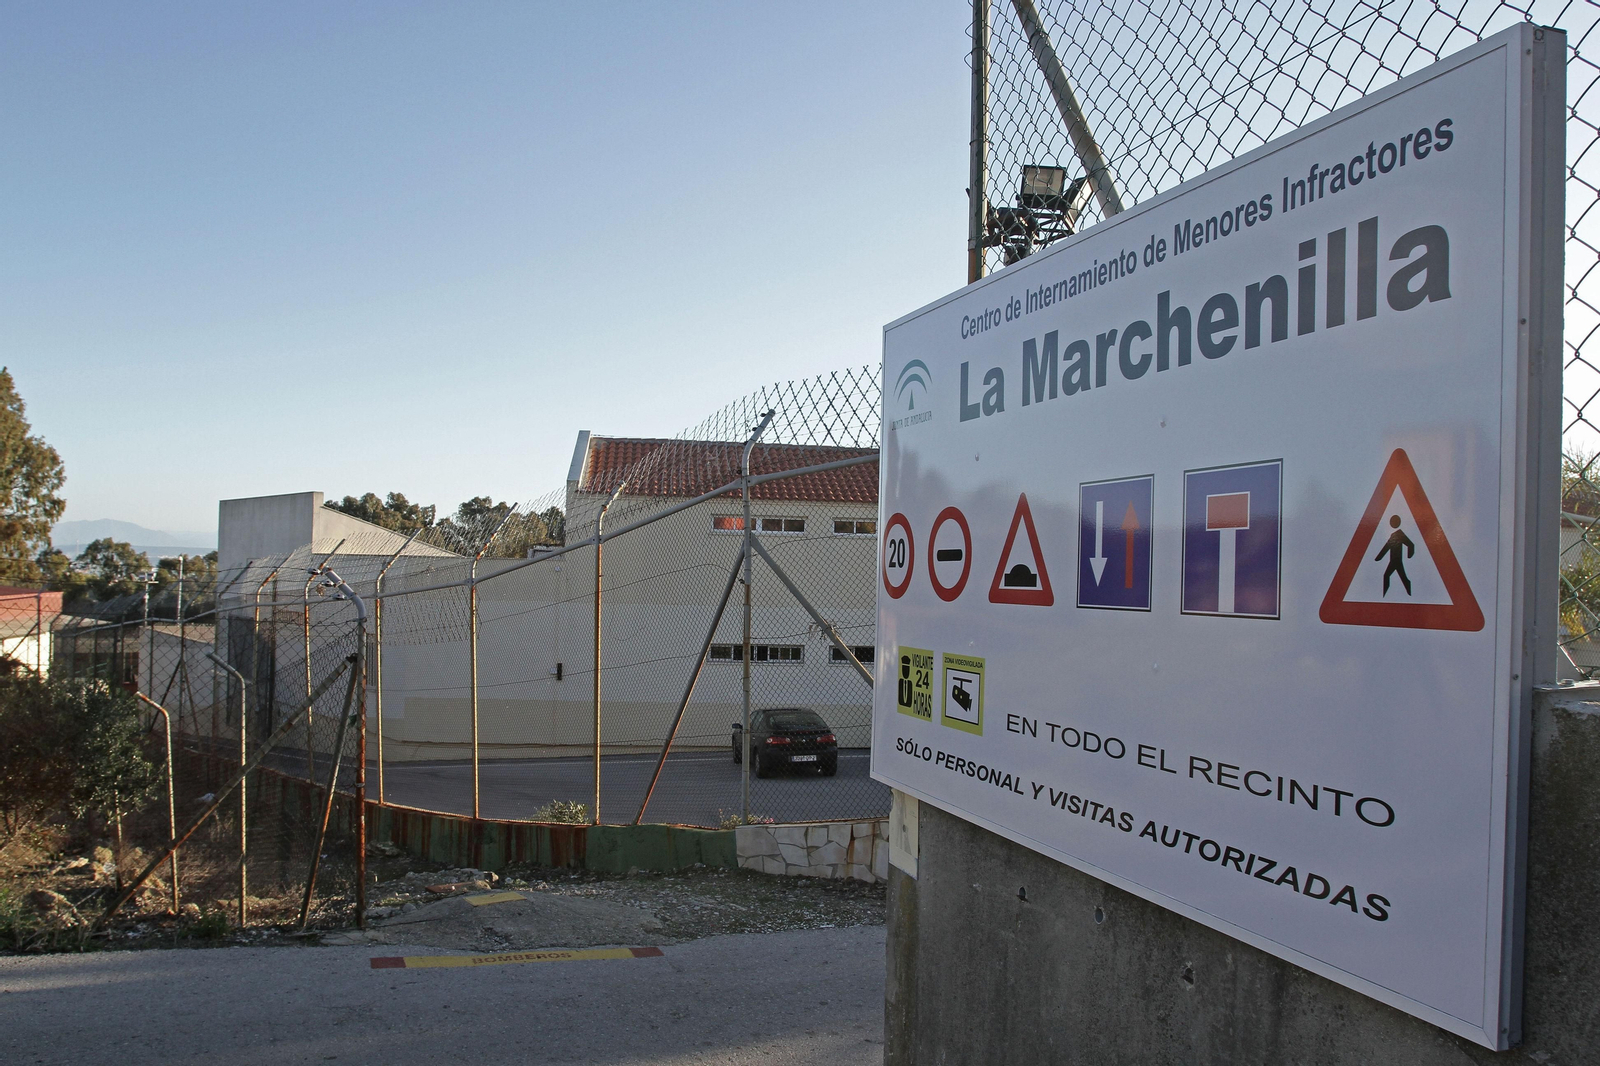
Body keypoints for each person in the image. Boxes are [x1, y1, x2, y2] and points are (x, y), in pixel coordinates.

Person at [1375, 514, 1414, 596]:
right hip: (1393, 560)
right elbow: (1386, 547)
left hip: (1397, 560)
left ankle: (1384, 596)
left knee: (1388, 576)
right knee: (1392, 576)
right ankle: (1384, 595)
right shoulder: (1394, 535)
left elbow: (1411, 544)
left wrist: (1409, 555)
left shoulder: (1400, 534)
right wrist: (1378, 558)